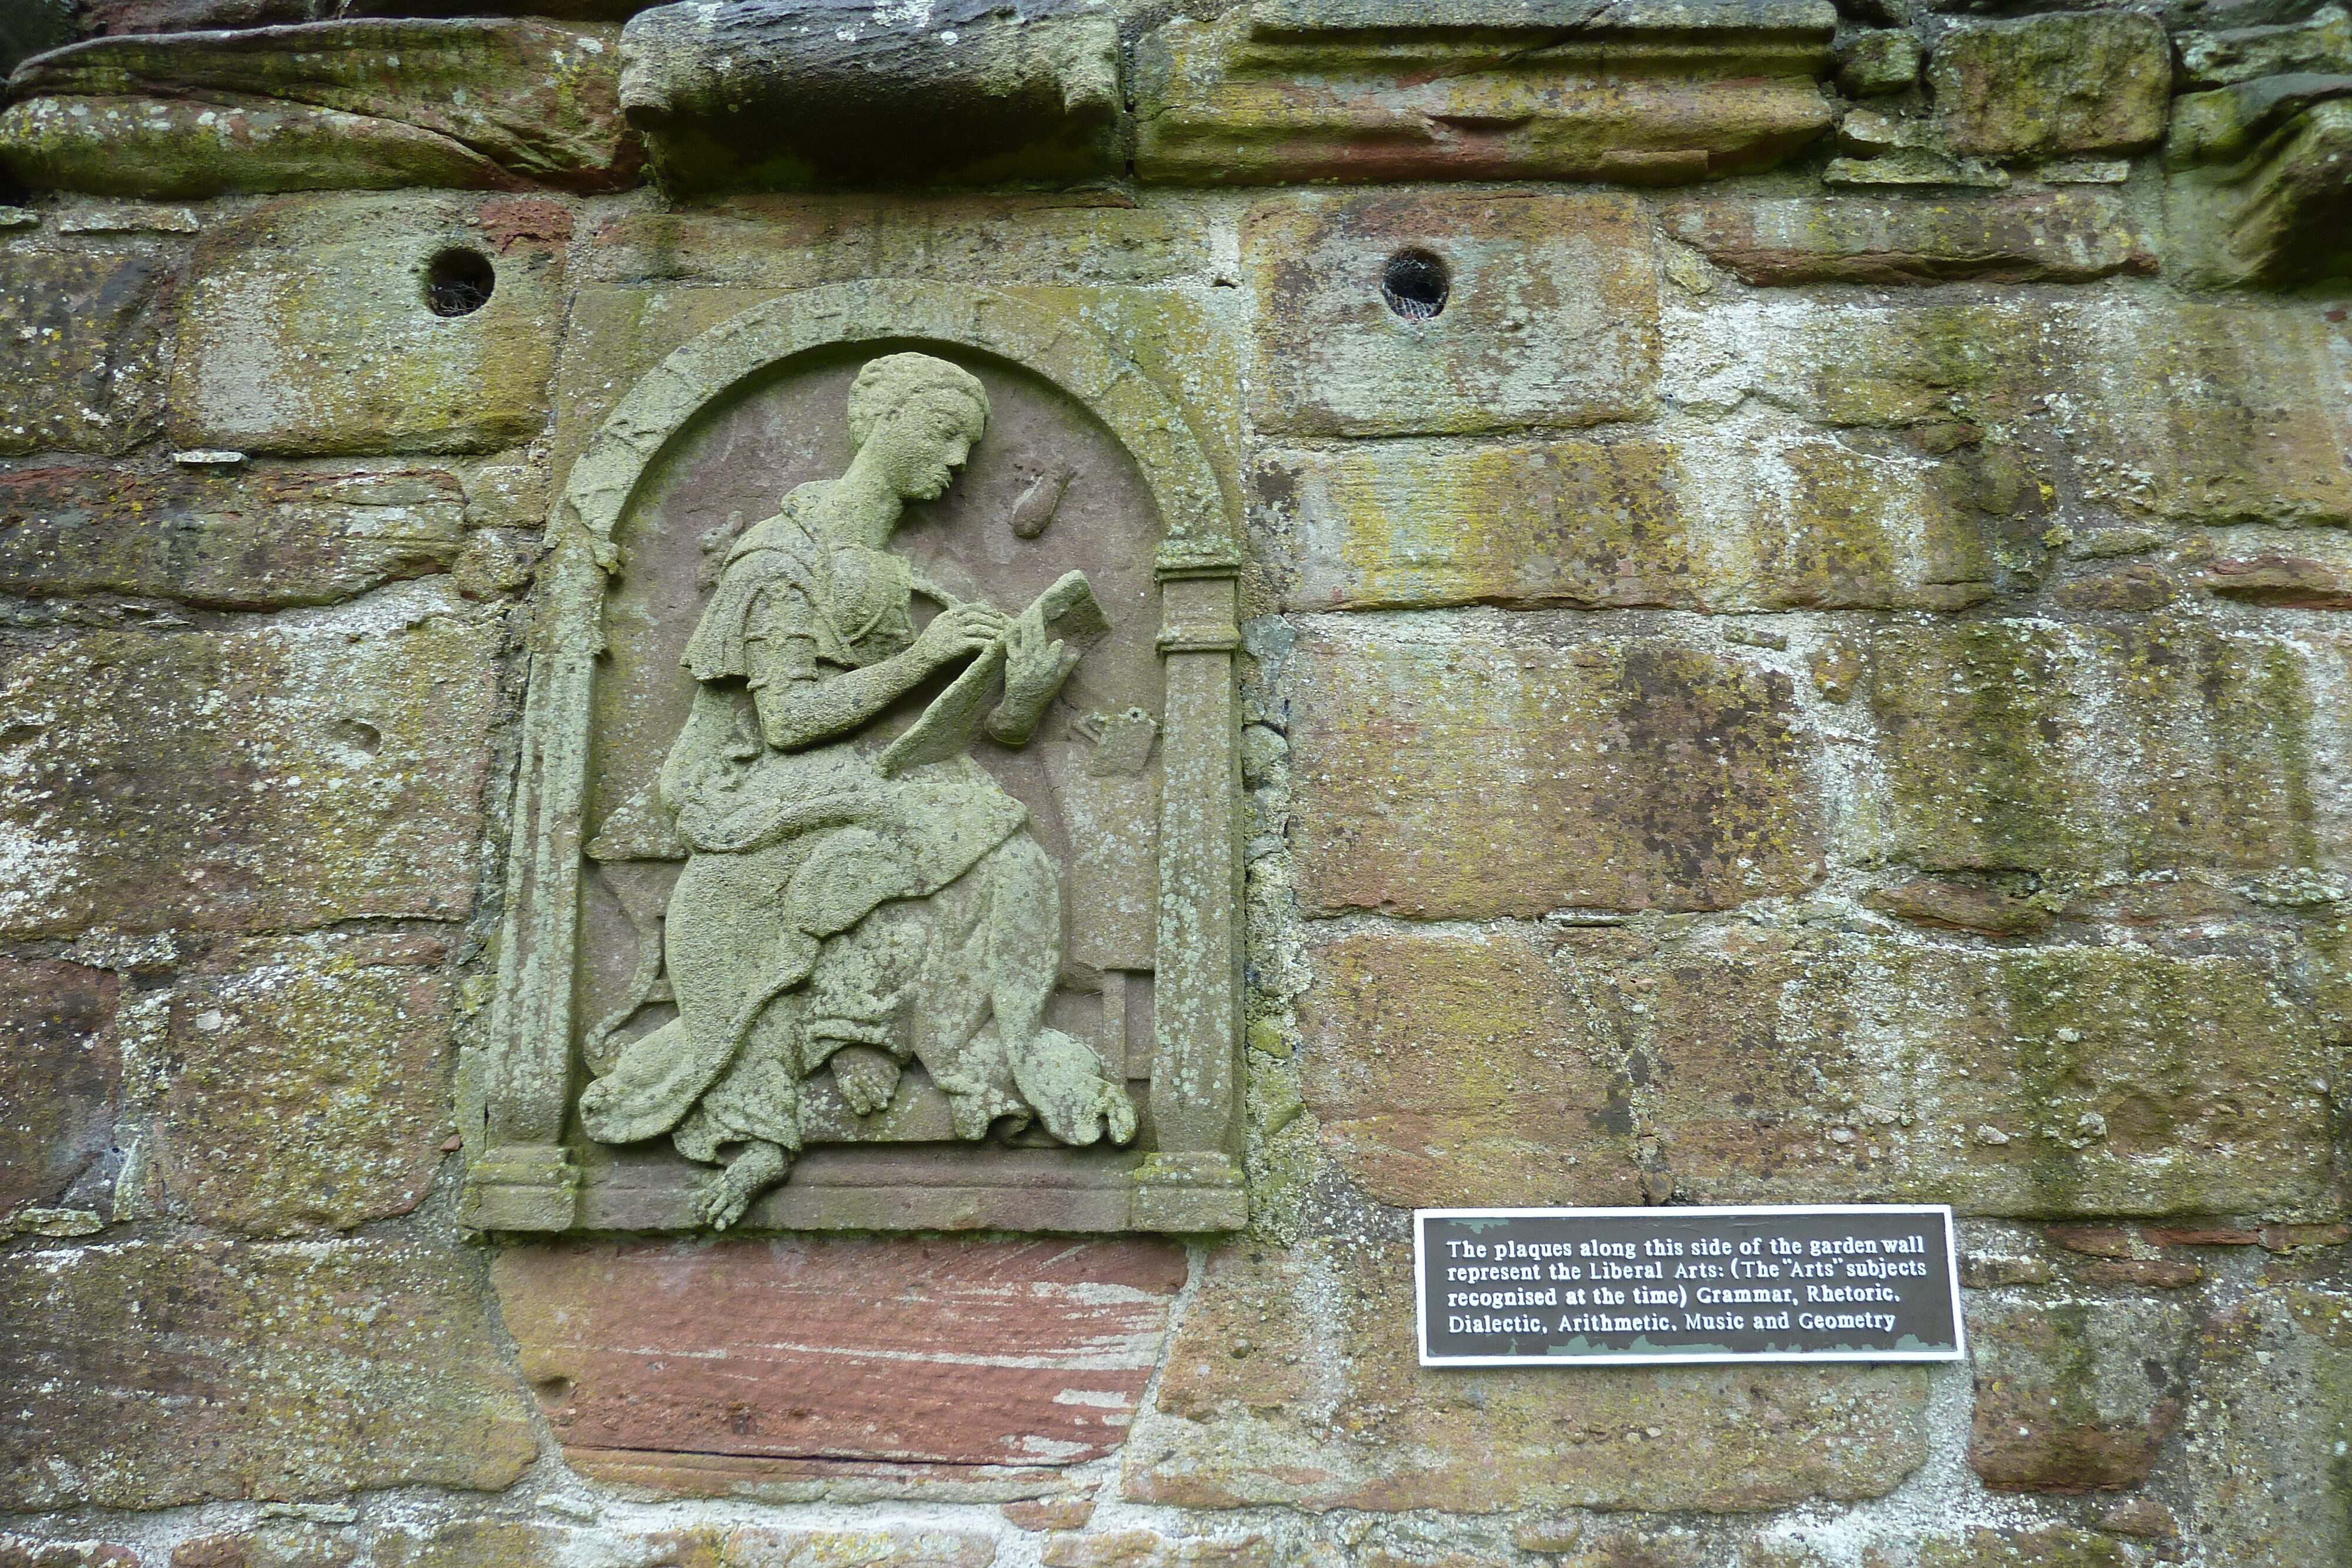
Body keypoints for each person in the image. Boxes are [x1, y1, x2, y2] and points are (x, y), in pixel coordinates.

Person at [580, 352, 1137, 1228]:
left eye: (969, 445)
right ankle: (798, 1081)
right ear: (883, 420)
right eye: (944, 434)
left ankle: (945, 1050)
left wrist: (1023, 695)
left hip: (869, 771)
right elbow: (789, 721)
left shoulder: (903, 565)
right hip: (753, 786)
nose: (957, 462)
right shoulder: (779, 559)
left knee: (1008, 854)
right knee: (919, 839)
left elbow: (978, 728)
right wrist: (921, 661)